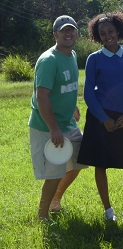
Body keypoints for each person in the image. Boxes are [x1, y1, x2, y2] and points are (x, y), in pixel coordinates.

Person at [77, 12, 123, 221]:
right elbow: (88, 93)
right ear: (98, 36)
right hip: (100, 118)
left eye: (110, 31)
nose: (107, 36)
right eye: (103, 33)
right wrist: (103, 118)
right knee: (101, 164)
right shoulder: (94, 59)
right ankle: (108, 210)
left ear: (118, 31)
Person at [28, 15, 87, 220]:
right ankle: (42, 215)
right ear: (55, 34)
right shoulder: (49, 60)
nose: (68, 34)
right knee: (54, 172)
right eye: (63, 31)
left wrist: (73, 106)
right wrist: (54, 128)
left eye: (71, 30)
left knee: (80, 160)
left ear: (76, 33)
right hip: (46, 125)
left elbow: (64, 87)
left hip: (67, 122)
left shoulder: (72, 55)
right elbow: (41, 96)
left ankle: (55, 201)